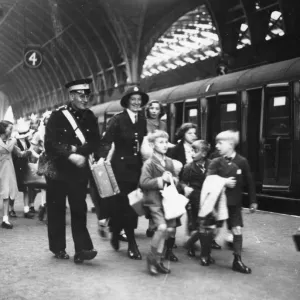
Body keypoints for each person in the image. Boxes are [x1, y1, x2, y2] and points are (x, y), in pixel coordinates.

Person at [44, 78, 100, 263]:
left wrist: (78, 151)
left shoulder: (90, 116)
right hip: (58, 172)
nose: (85, 99)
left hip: (78, 173)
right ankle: (58, 248)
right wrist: (70, 154)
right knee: (56, 210)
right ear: (72, 95)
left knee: (79, 209)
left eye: (87, 96)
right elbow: (50, 144)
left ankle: (82, 249)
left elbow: (94, 142)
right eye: (81, 96)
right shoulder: (57, 116)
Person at [99, 86, 148, 260]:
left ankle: (116, 231)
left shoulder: (142, 120)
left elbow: (144, 143)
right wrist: (101, 160)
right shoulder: (117, 119)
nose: (136, 103)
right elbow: (105, 142)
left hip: (136, 168)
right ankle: (132, 244)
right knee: (123, 205)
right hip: (119, 169)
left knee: (132, 205)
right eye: (133, 99)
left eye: (139, 100)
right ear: (127, 101)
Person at [199, 130, 257, 274]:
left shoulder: (242, 161)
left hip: (234, 203)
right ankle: (205, 254)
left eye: (220, 143)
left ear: (230, 144)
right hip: (217, 202)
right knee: (213, 229)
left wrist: (253, 201)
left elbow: (249, 182)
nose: (217, 146)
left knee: (237, 229)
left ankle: (237, 260)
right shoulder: (214, 160)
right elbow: (208, 179)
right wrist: (224, 182)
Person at [140, 130, 181, 275]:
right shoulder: (149, 163)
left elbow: (176, 178)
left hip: (167, 201)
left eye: (166, 142)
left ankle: (158, 261)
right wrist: (160, 180)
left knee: (167, 232)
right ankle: (151, 260)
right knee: (162, 228)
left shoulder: (169, 161)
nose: (164, 145)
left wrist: (174, 179)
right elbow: (143, 183)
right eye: (161, 142)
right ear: (152, 145)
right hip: (154, 201)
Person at [181, 140, 221, 256]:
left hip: (208, 200)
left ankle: (202, 247)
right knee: (193, 223)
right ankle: (191, 246)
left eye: (195, 151)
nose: (192, 153)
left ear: (204, 154)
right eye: (191, 151)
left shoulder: (211, 165)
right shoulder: (188, 167)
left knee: (206, 224)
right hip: (194, 199)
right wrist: (185, 188)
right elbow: (183, 182)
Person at [0, 121, 30, 229]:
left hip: (8, 169)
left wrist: (26, 153)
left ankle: (5, 219)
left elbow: (19, 153)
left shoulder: (13, 140)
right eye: (9, 128)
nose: (11, 131)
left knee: (7, 193)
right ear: (3, 129)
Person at [11, 121, 36, 219]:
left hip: (24, 167)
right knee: (14, 189)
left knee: (26, 188)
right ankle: (11, 209)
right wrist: (30, 151)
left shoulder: (27, 142)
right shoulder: (15, 143)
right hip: (16, 167)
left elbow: (31, 152)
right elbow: (20, 154)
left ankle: (26, 210)